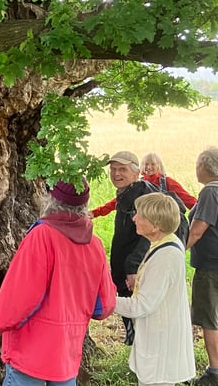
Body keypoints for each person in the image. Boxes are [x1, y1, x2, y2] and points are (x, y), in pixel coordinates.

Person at [0, 179, 117, 385]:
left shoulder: (42, 236)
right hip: (66, 357)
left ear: (51, 199)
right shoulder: (94, 244)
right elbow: (104, 305)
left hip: (30, 356)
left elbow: (19, 301)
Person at [114, 193, 195, 385]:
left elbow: (142, 306)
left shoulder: (165, 256)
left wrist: (103, 300)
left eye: (140, 215)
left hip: (161, 347)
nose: (134, 218)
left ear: (156, 225)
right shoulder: (164, 244)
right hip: (158, 342)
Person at [100, 150, 158, 345]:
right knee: (132, 317)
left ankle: (143, 354)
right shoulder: (127, 192)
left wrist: (133, 266)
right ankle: (135, 344)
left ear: (136, 172)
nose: (116, 174)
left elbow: (149, 236)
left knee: (140, 314)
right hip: (125, 267)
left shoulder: (143, 195)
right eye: (113, 169)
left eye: (122, 169)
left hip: (135, 269)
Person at [187, 147, 218, 386]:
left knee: (210, 319)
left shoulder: (210, 192)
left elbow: (197, 230)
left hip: (210, 267)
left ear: (205, 167)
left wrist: (174, 251)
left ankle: (214, 371)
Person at [92, 152, 196, 217]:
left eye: (152, 164)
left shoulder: (167, 182)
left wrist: (203, 213)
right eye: (146, 164)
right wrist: (96, 212)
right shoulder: (137, 184)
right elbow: (116, 202)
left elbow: (187, 199)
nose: (149, 167)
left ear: (159, 166)